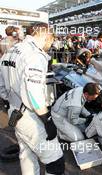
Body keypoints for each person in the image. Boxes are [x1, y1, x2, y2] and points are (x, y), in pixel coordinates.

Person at [0, 23, 64, 175]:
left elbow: (1, 86)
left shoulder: (9, 52)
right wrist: (47, 119)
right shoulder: (35, 55)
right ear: (43, 35)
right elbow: (34, 93)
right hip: (31, 117)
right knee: (55, 161)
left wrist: (10, 102)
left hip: (15, 112)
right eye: (51, 37)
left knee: (27, 155)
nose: (51, 41)